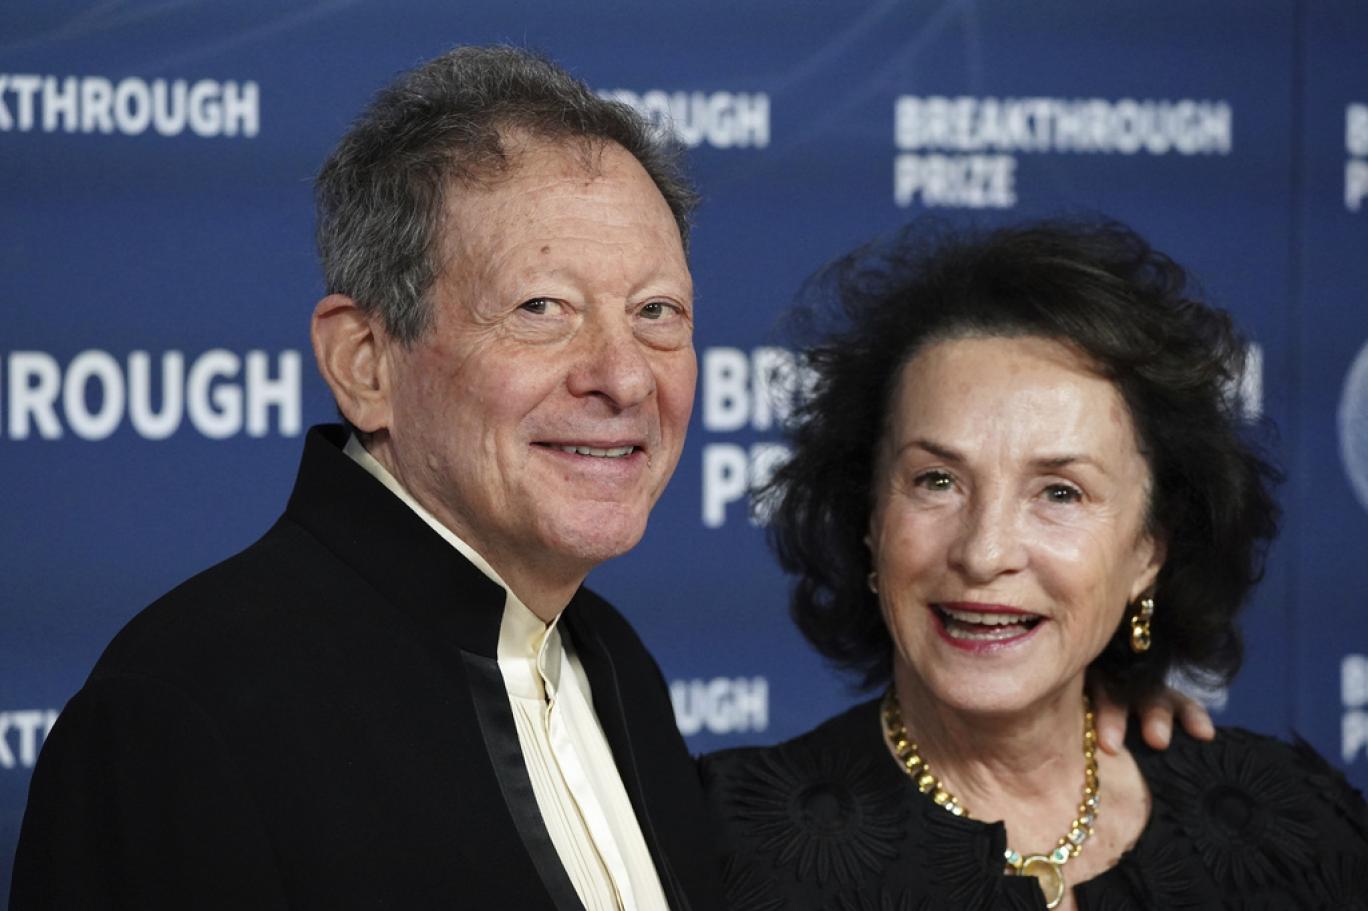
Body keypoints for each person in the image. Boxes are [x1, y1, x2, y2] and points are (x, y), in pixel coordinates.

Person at [12, 47, 1208, 909]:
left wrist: (1064, 725)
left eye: (657, 313)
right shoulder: (180, 719)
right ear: (365, 360)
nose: (622, 375)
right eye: (542, 308)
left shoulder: (612, 663)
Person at [702, 220, 1368, 910]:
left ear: (1150, 548)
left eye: (1059, 492)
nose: (984, 553)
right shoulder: (714, 847)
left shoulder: (1298, 833)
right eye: (937, 481)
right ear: (869, 518)